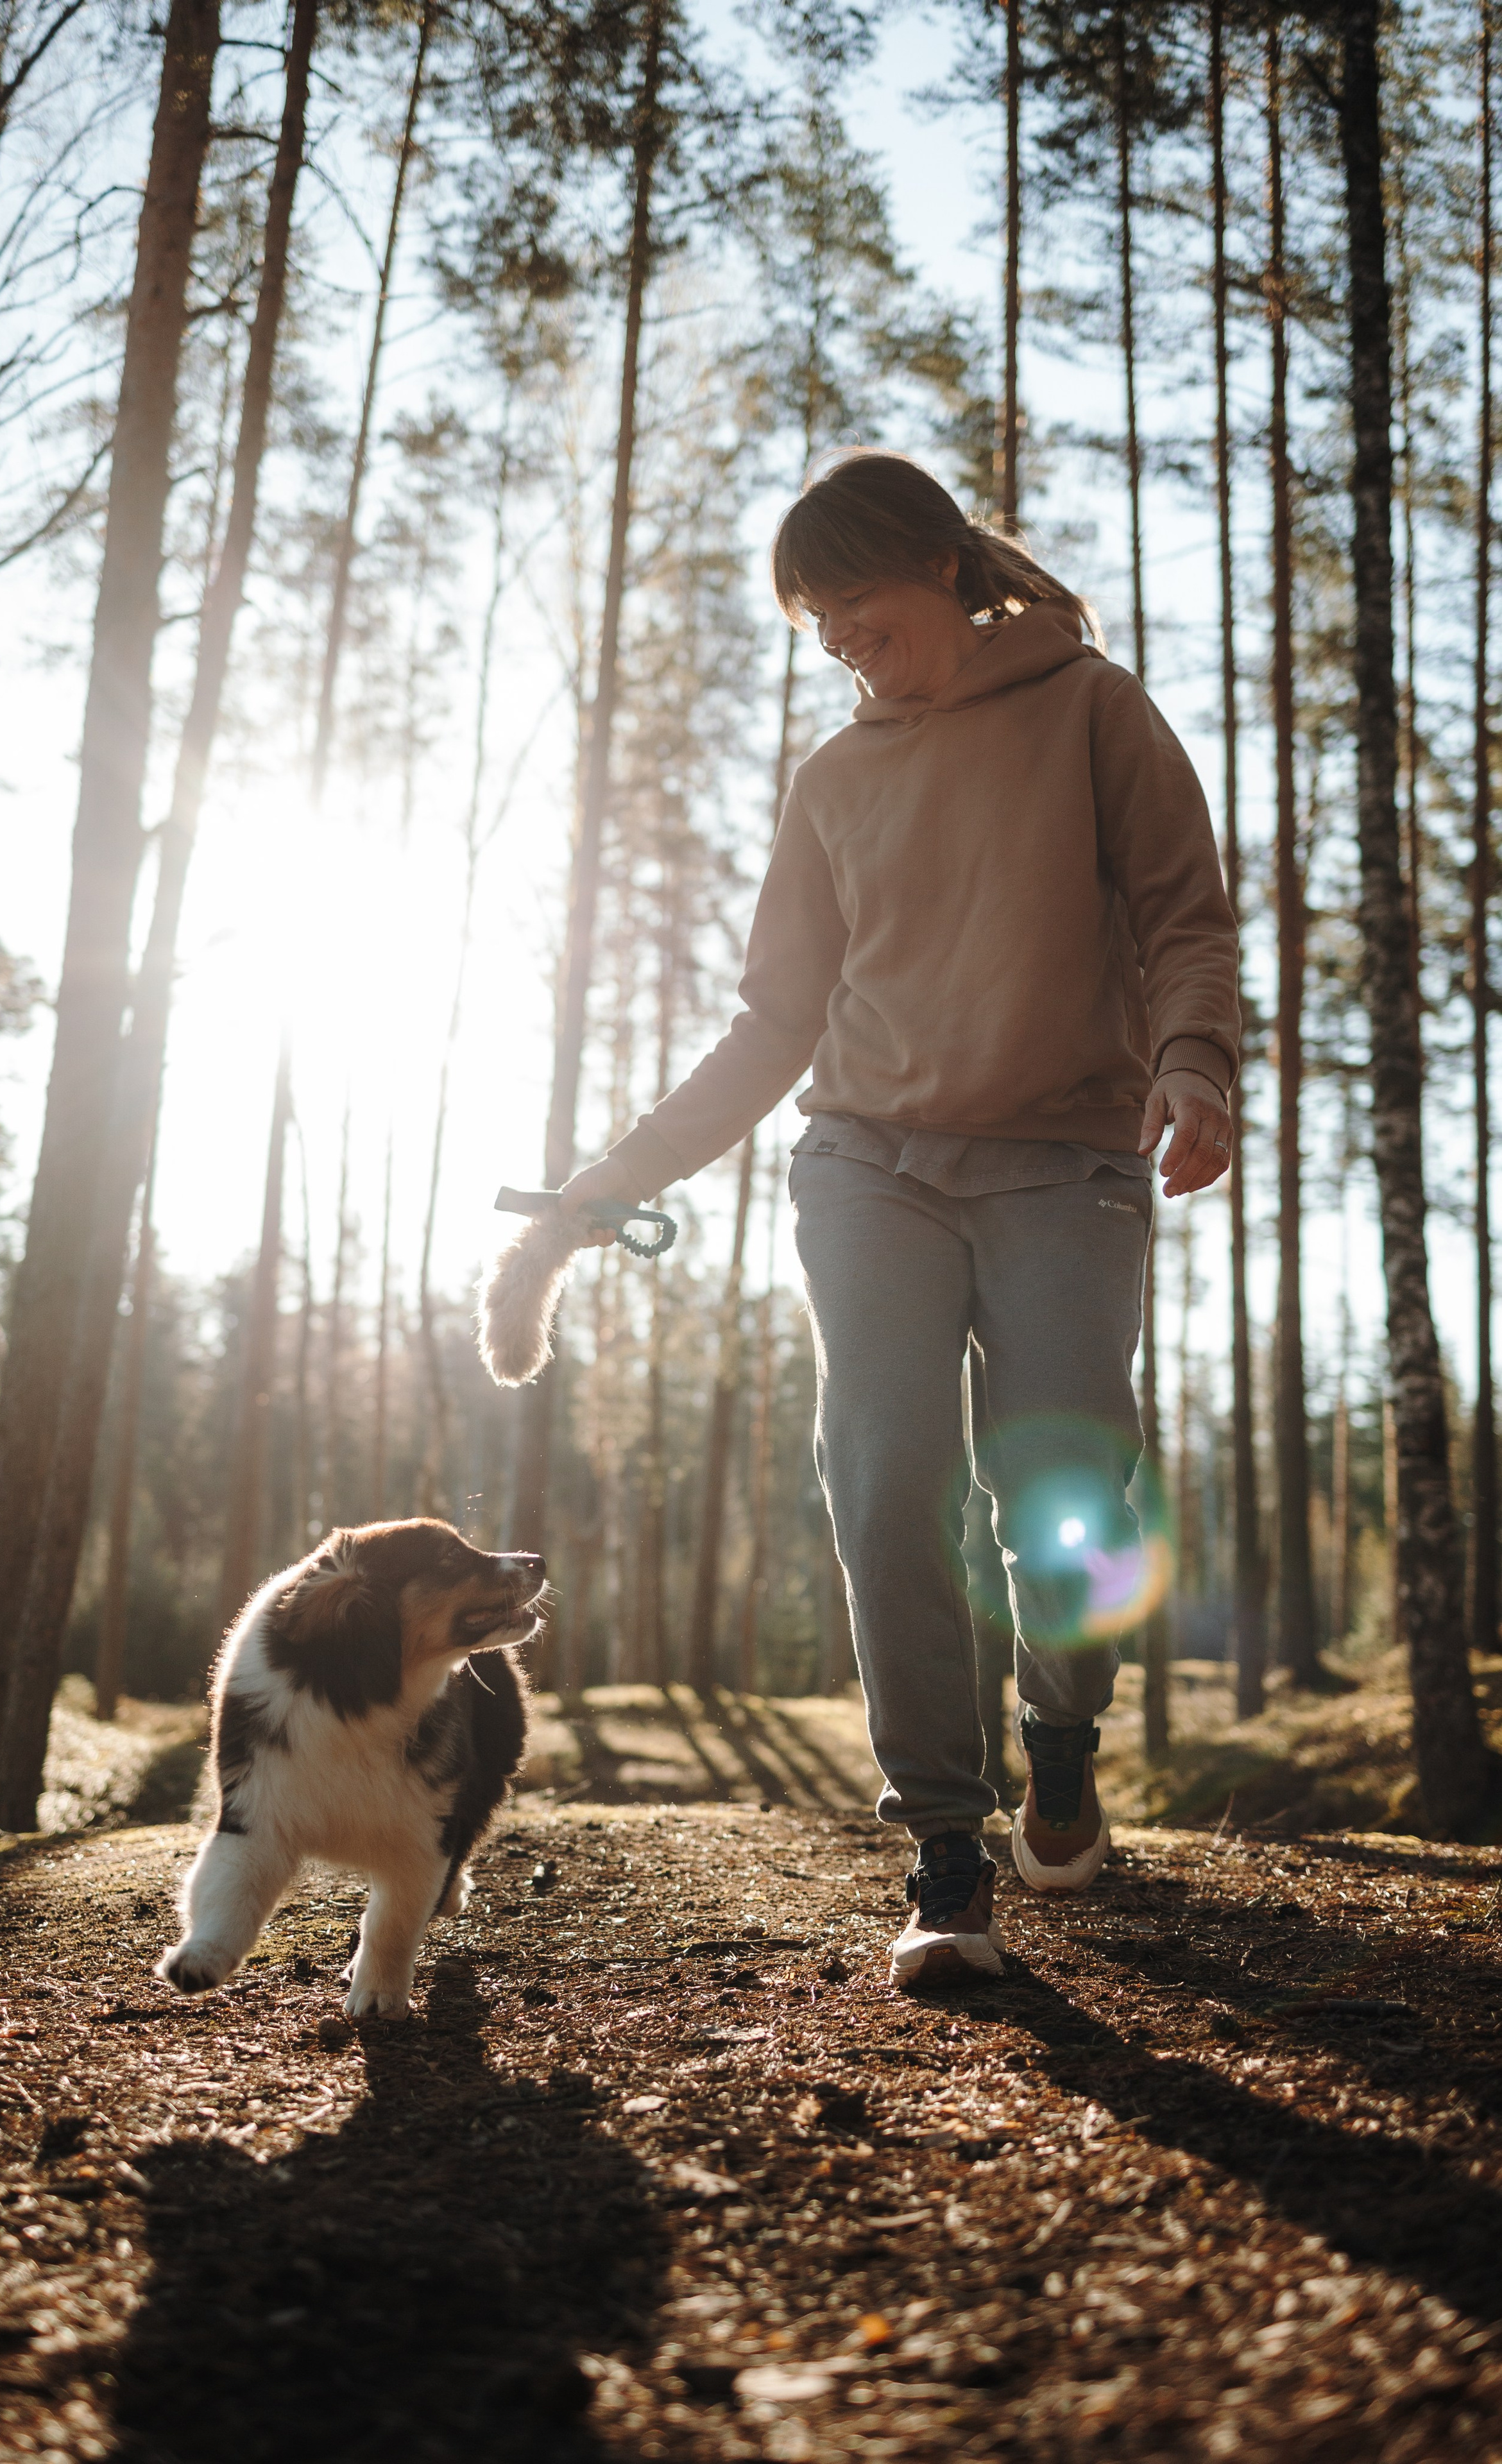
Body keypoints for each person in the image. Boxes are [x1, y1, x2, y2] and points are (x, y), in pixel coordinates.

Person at [561, 450, 1238, 1987]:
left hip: (1065, 1156)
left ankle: (1057, 1731)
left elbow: (1184, 918)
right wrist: (621, 1172)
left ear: (936, 567)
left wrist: (1190, 1066)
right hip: (865, 1166)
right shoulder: (832, 781)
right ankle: (945, 1852)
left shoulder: (1090, 709)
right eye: (811, 624)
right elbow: (768, 1025)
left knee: (1071, 1491)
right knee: (882, 1482)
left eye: (850, 606)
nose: (836, 643)